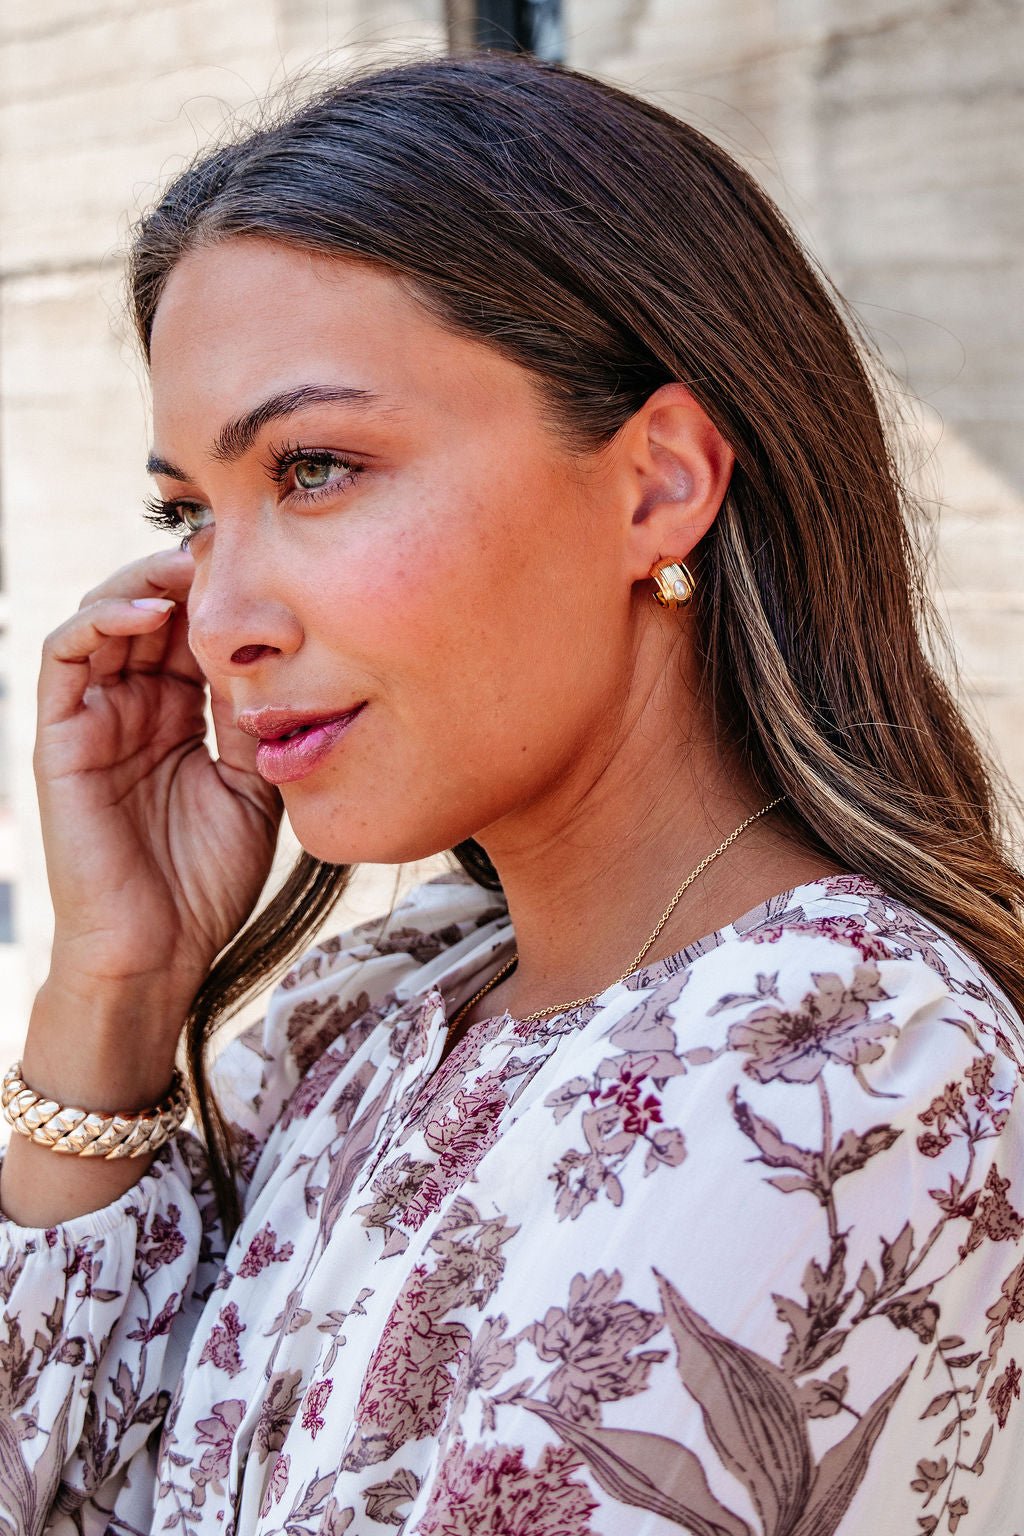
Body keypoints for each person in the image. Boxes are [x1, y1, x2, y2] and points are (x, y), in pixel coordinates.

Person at [0, 50, 1022, 1536]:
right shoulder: (358, 1020)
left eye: (318, 467)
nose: (217, 615)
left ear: (658, 482)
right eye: (186, 513)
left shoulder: (848, 1075)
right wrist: (117, 985)